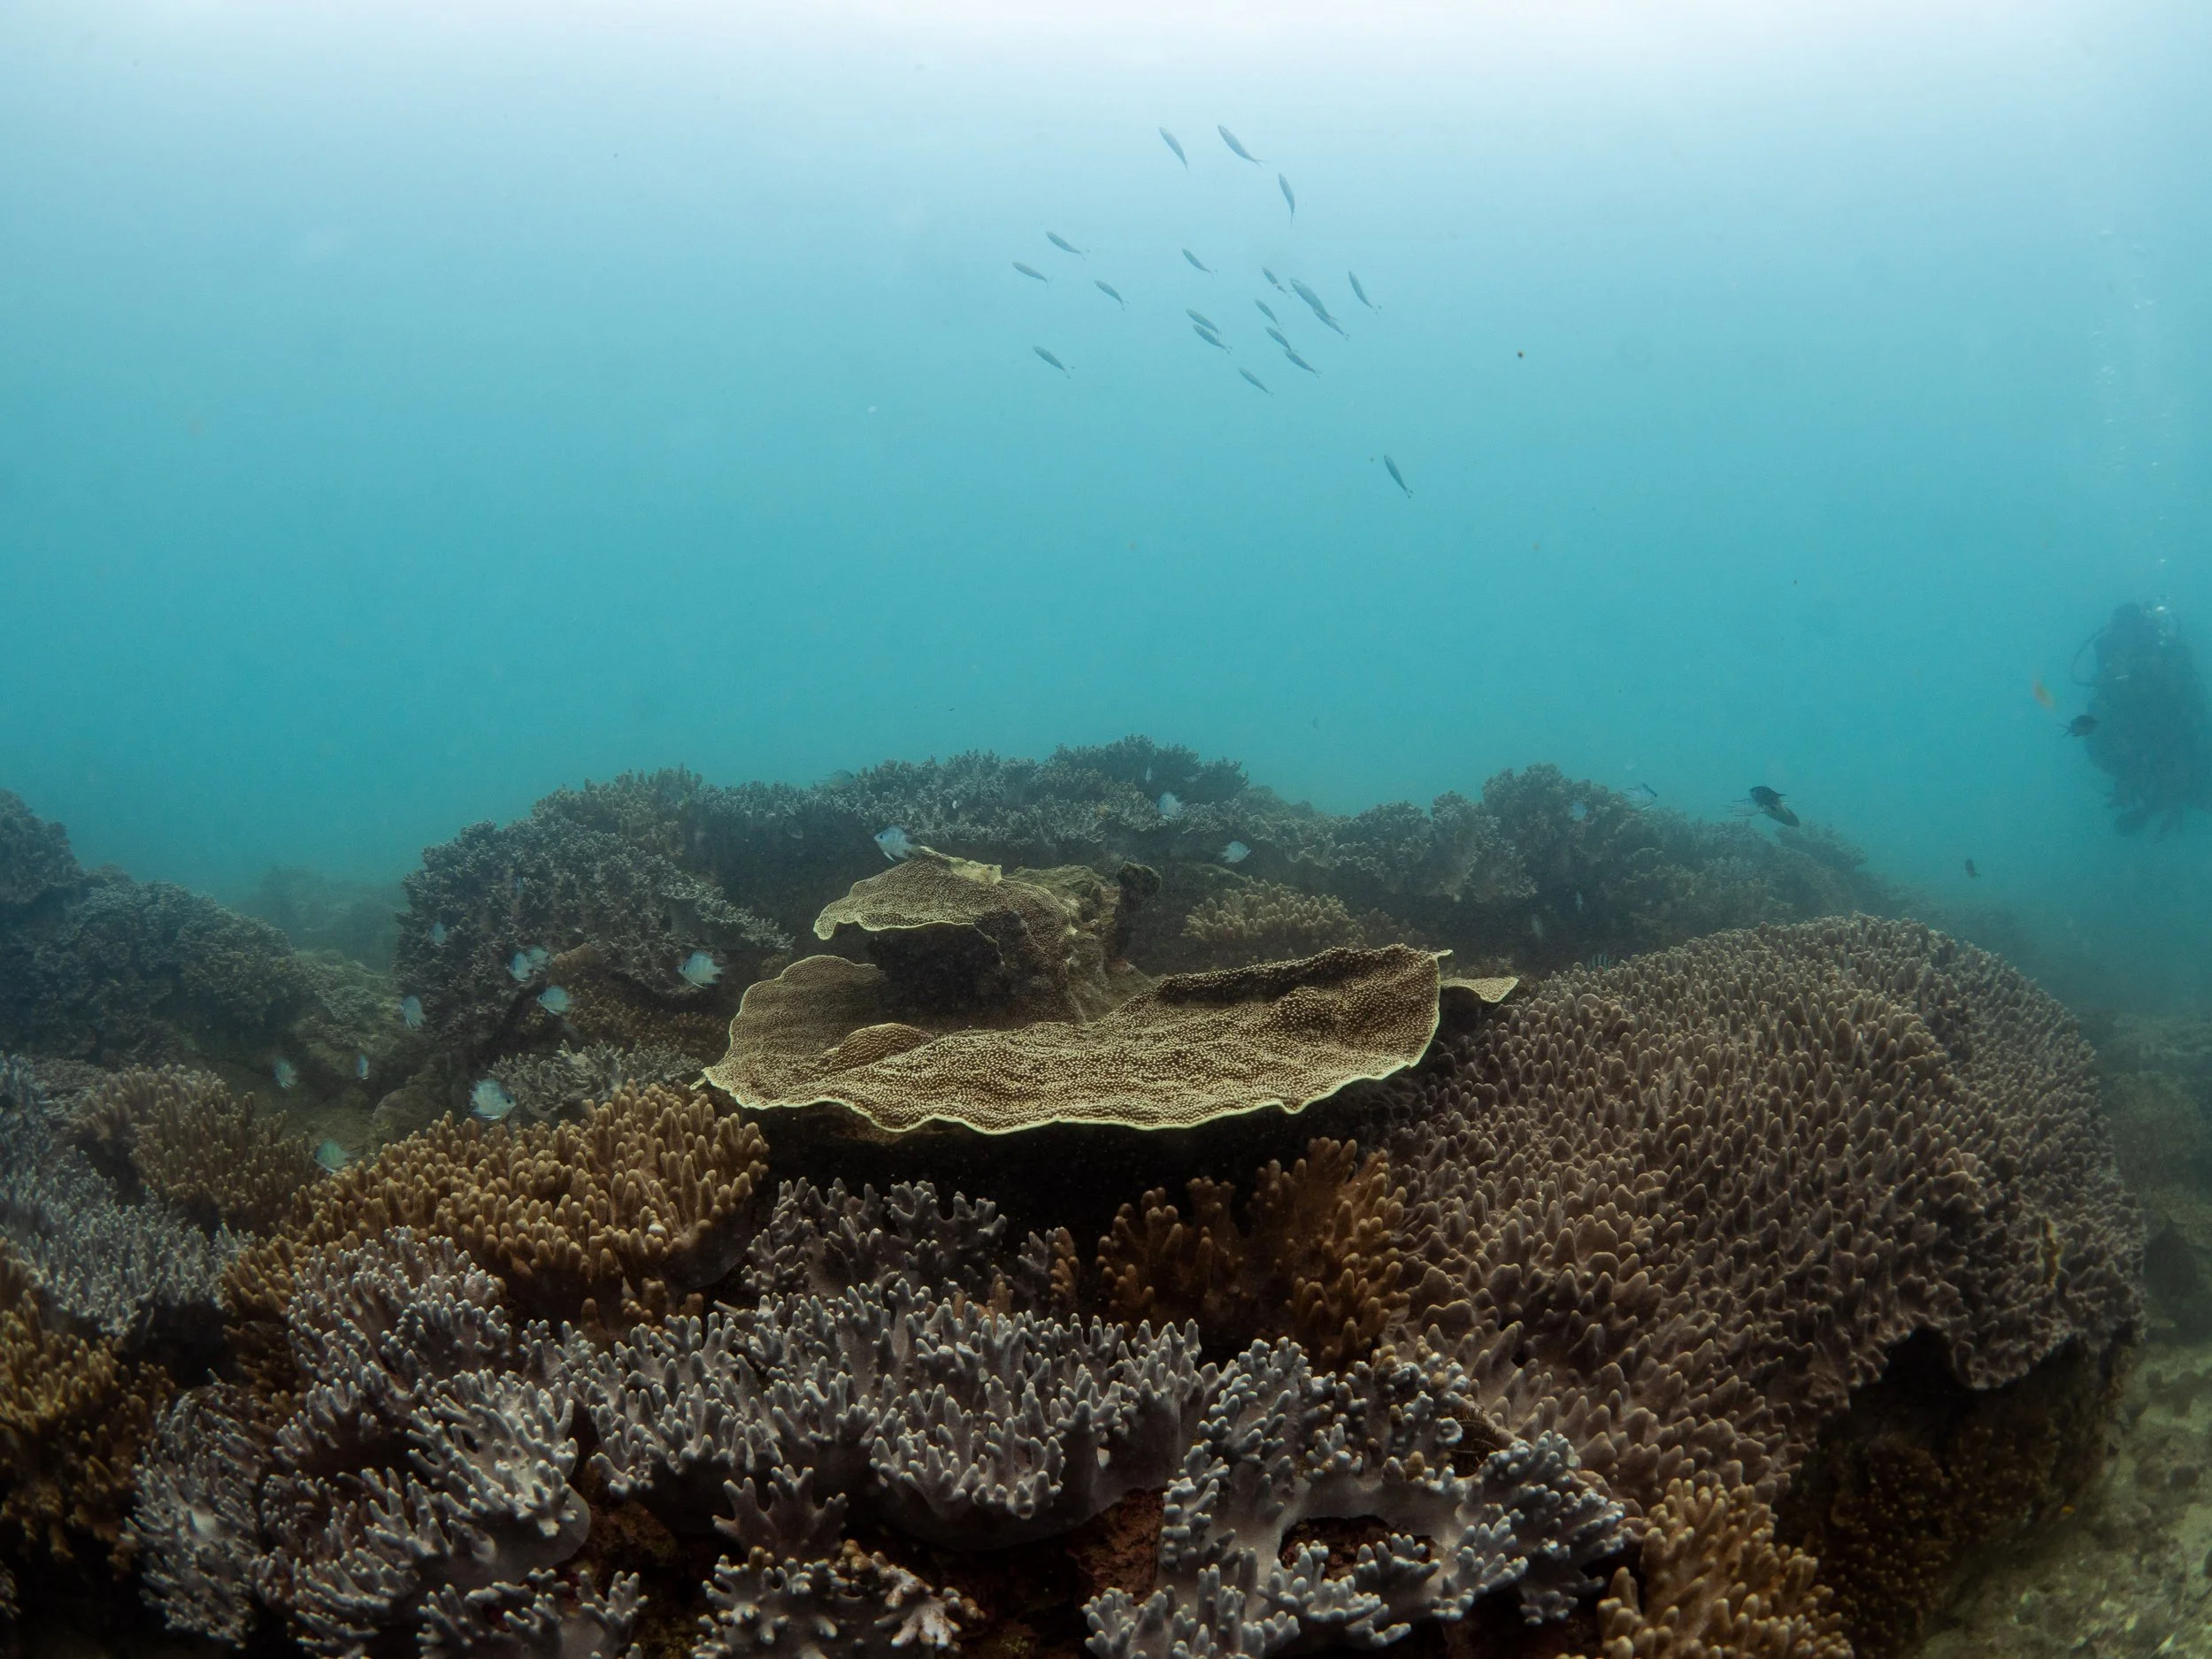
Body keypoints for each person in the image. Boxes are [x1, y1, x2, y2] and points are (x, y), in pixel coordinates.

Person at [2080, 602, 2212, 835]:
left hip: (2185, 759)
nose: (2136, 663)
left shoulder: (2178, 690)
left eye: (2142, 649)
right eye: (2117, 652)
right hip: (2146, 757)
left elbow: (2192, 741)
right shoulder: (2109, 701)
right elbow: (2098, 745)